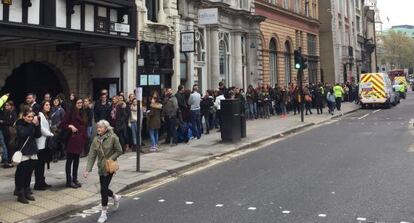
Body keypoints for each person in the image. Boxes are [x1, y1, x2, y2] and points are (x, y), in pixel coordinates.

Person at [83, 120, 123, 223]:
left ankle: (103, 214)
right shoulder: (96, 140)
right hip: (101, 168)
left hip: (109, 167)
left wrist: (111, 159)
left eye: (100, 128)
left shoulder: (113, 137)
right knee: (103, 189)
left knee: (103, 189)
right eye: (97, 128)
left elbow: (119, 150)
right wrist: (88, 170)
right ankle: (115, 196)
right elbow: (92, 155)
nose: (98, 129)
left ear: (106, 128)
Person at [14, 109, 41, 203]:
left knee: (29, 172)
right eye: (28, 117)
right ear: (24, 117)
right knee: (22, 172)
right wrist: (33, 124)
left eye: (32, 117)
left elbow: (38, 135)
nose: (30, 118)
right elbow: (23, 134)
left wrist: (37, 125)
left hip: (32, 150)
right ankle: (20, 193)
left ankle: (26, 190)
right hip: (23, 151)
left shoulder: (32, 124)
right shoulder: (19, 123)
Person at [60, 98, 87, 188]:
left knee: (76, 160)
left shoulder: (82, 112)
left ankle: (75, 179)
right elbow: (63, 124)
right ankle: (69, 181)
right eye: (78, 103)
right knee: (69, 161)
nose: (80, 104)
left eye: (81, 102)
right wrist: (70, 126)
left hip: (80, 139)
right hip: (72, 139)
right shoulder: (70, 112)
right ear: (74, 103)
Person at [34, 101, 54, 190]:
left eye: (49, 104)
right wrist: (51, 134)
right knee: (39, 165)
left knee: (42, 164)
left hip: (45, 143)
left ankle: (42, 182)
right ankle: (38, 184)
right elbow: (41, 129)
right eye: (46, 104)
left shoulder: (46, 115)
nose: (48, 106)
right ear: (42, 106)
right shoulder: (40, 115)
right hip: (40, 143)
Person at [1, 100, 17, 167]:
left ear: (11, 106)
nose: (6, 106)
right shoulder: (4, 112)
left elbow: (12, 122)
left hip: (10, 131)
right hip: (5, 130)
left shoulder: (13, 112)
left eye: (8, 105)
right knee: (6, 145)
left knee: (10, 146)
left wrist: (3, 121)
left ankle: (10, 160)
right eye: (5, 105)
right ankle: (6, 160)